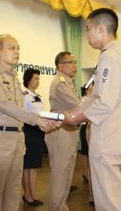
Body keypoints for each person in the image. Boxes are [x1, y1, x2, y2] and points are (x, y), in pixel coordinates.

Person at [63, 8, 121, 211]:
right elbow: (95, 96)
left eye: (88, 29)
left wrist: (76, 118)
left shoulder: (110, 57)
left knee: (108, 204)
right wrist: (73, 111)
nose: (87, 34)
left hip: (108, 144)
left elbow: (104, 102)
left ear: (100, 29)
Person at [0, 34, 59, 211]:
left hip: (17, 137)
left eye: (18, 48)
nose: (17, 51)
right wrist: (35, 120)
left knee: (14, 192)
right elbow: (3, 104)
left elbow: (20, 108)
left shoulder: (14, 76)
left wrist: (43, 119)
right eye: (12, 48)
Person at [45, 51, 81, 211]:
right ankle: (56, 207)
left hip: (70, 130)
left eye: (75, 62)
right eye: (71, 62)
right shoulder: (60, 83)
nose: (75, 66)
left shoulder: (68, 82)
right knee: (60, 173)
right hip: (60, 132)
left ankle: (61, 206)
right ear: (61, 66)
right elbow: (78, 105)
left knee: (67, 173)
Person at [21, 68, 45, 207]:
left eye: (38, 79)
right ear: (28, 79)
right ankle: (27, 195)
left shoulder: (38, 96)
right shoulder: (24, 95)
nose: (37, 81)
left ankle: (33, 194)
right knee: (27, 166)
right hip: (27, 130)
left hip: (38, 131)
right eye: (35, 78)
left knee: (34, 165)